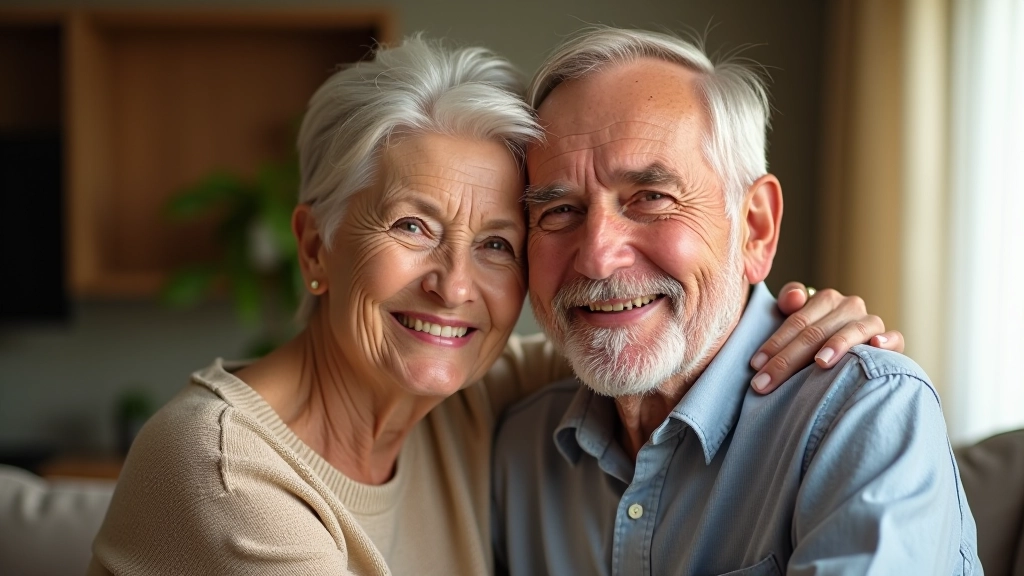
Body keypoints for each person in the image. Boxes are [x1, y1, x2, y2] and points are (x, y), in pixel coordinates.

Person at [88, 36, 901, 576]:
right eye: (413, 225)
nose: (455, 285)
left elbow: (655, 333)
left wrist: (801, 327)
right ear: (314, 248)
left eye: (498, 244)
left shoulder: (476, 402)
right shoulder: (225, 474)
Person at [491, 27, 980, 576]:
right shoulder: (519, 448)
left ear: (754, 227)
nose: (598, 257)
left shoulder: (867, 413)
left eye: (651, 198)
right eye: (559, 211)